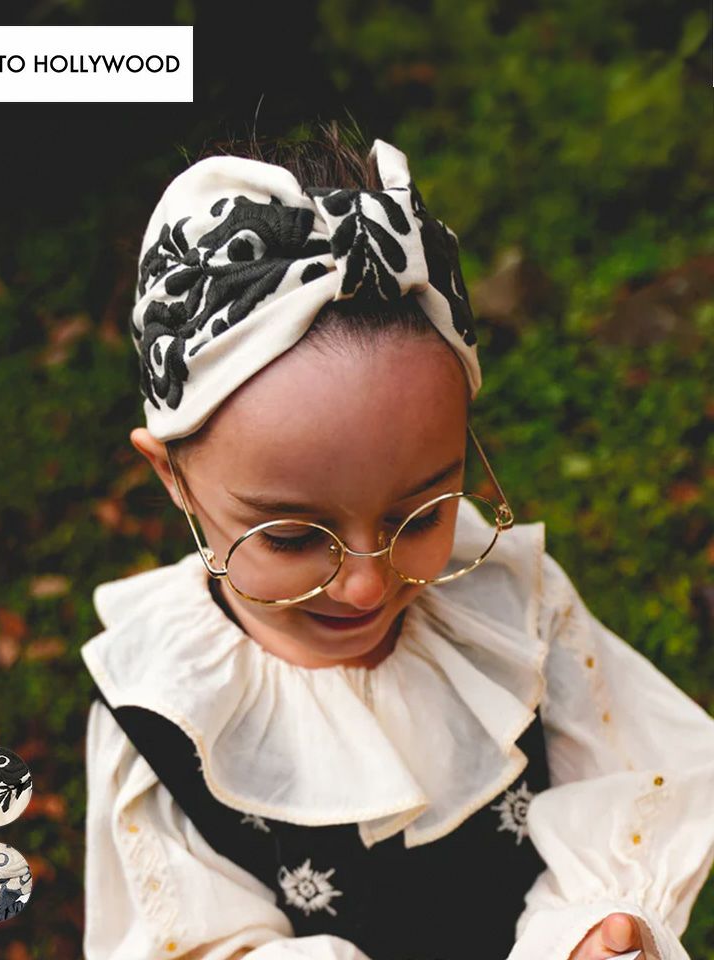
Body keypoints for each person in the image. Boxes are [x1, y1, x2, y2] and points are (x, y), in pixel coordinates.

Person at [81, 123, 714, 960]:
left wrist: (586, 928)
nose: (366, 586)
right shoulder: (169, 716)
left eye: (418, 517)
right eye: (292, 537)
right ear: (174, 478)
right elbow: (195, 941)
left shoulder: (511, 608)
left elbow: (631, 778)